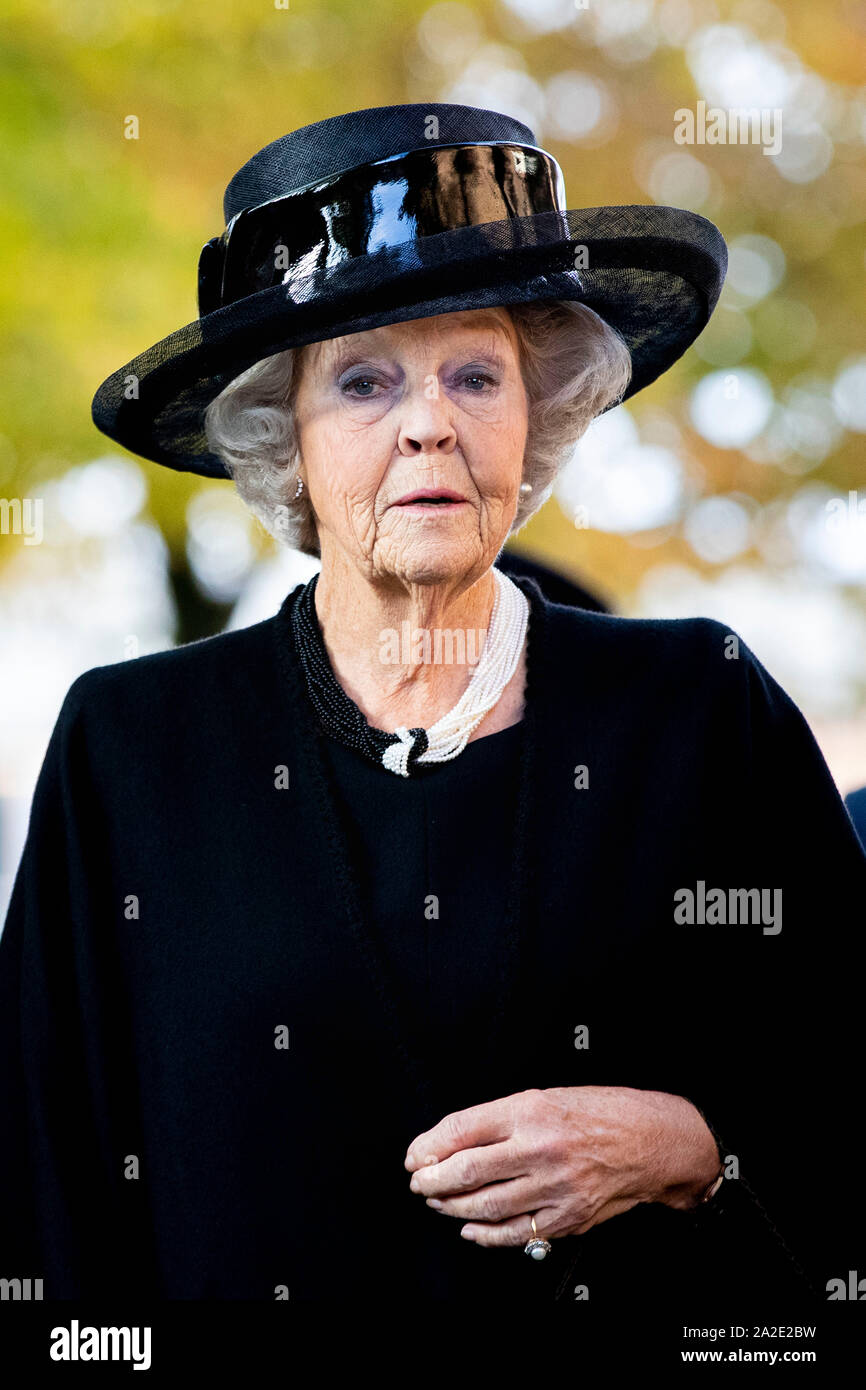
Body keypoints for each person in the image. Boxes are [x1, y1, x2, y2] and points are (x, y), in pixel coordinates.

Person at [2, 103, 864, 1310]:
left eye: (476, 373)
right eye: (362, 381)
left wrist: (688, 1147)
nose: (428, 422)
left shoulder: (695, 711)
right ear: (281, 436)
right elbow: (45, 1188)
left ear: (539, 413)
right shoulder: (133, 747)